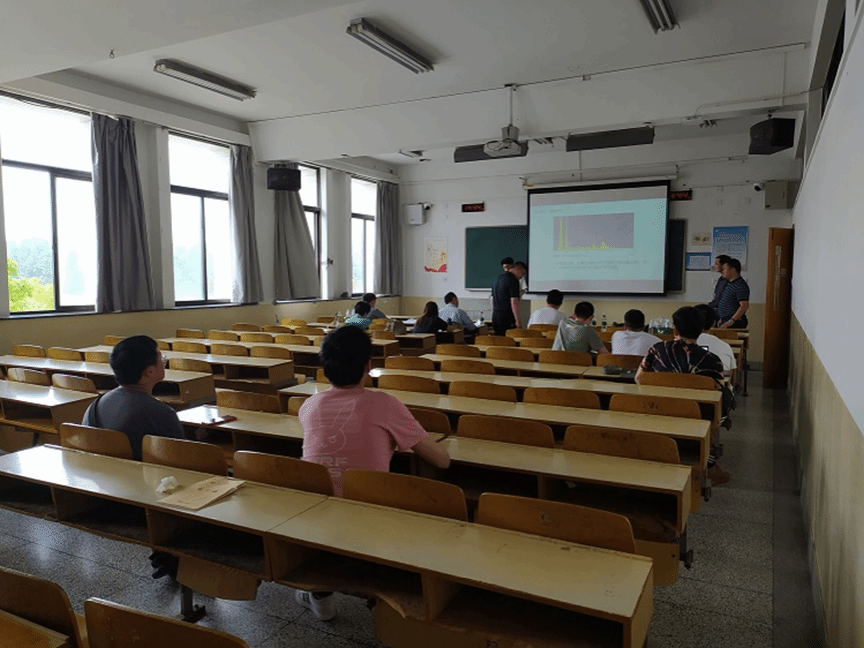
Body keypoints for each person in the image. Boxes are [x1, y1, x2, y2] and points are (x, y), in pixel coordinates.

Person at [297, 325, 450, 620]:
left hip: (314, 516)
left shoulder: (309, 406)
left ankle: (320, 594)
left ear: (324, 367)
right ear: (368, 366)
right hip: (371, 518)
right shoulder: (385, 404)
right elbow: (441, 461)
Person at [81, 335, 185, 579]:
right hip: (144, 501)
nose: (163, 361)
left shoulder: (96, 404)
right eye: (161, 358)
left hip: (104, 494)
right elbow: (184, 463)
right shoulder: (161, 413)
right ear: (150, 372)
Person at [635, 306, 729, 485]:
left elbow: (639, 379)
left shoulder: (657, 349)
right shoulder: (713, 360)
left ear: (675, 330)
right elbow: (716, 396)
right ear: (701, 331)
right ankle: (709, 462)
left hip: (657, 413)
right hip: (695, 419)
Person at [694, 304, 737, 374]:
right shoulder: (725, 347)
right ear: (713, 323)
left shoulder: (681, 347)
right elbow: (728, 374)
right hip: (718, 380)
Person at [491, 260, 527, 335]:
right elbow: (514, 302)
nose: (521, 277)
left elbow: (492, 298)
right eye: (522, 273)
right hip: (507, 318)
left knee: (498, 340)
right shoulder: (513, 280)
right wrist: (518, 321)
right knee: (509, 340)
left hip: (496, 317)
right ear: (518, 269)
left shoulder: (498, 279)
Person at [716, 258, 750, 329]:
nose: (722, 271)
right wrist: (721, 318)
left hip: (734, 322)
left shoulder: (740, 285)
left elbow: (744, 306)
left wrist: (731, 321)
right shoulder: (729, 283)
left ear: (732, 270)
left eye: (725, 269)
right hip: (725, 319)